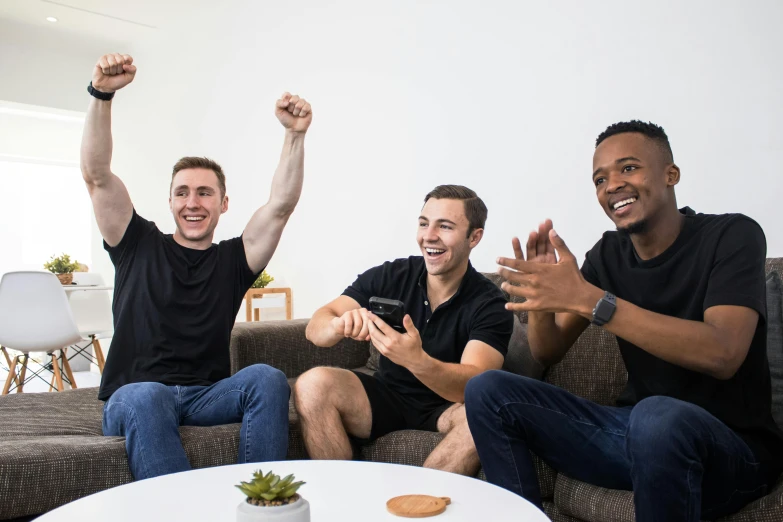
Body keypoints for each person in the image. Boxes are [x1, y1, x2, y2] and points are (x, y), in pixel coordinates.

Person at [465, 120, 783, 521]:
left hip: (733, 452)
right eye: (600, 178)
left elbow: (724, 352)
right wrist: (543, 300)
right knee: (489, 389)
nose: (611, 184)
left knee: (657, 417)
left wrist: (596, 302)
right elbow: (548, 350)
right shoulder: (609, 254)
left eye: (628, 168)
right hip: (633, 437)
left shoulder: (733, 235)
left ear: (671, 175)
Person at [81, 53, 312, 480]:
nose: (193, 202)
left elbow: (281, 207)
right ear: (169, 201)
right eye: (182, 192)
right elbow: (97, 175)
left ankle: (258, 503)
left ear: (223, 204)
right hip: (134, 396)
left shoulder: (232, 260)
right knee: (148, 395)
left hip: (205, 397)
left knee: (267, 378)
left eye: (205, 193)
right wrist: (102, 95)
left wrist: (295, 136)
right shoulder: (135, 243)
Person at [295, 185, 513, 475]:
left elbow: (475, 385)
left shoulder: (490, 302)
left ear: (474, 237)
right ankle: (345, 503)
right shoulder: (393, 275)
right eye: (424, 223)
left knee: (484, 415)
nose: (429, 236)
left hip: (446, 408)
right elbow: (316, 326)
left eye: (445, 226)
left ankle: (417, 506)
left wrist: (416, 360)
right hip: (387, 396)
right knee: (311, 385)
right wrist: (338, 325)